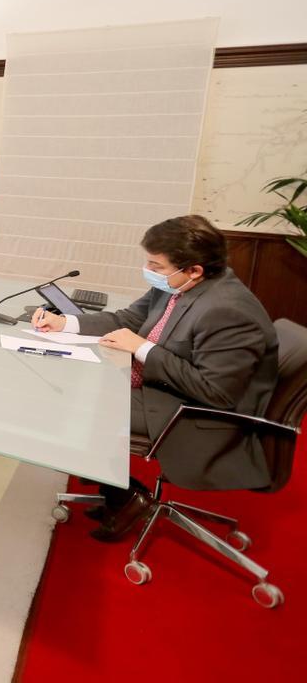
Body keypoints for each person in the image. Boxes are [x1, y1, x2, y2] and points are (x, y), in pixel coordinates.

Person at [32, 215, 279, 541]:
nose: (150, 272)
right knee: (81, 388)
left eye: (157, 266)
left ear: (194, 269)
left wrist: (143, 348)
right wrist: (65, 324)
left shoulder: (227, 310)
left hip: (198, 413)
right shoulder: (176, 286)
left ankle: (127, 496)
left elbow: (217, 393)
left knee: (80, 405)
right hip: (165, 388)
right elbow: (127, 319)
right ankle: (117, 491)